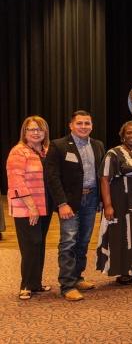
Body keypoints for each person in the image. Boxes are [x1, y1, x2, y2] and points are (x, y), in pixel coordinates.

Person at [45, 110, 105, 301]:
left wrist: (102, 200)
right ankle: (67, 285)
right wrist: (62, 203)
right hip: (69, 203)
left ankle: (78, 277)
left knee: (84, 241)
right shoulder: (58, 145)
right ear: (71, 125)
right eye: (79, 123)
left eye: (87, 123)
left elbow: (101, 175)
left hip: (91, 199)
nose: (83, 127)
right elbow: (52, 177)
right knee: (68, 242)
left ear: (92, 126)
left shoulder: (98, 145)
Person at [96, 121, 132, 285]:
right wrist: (108, 205)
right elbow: (105, 179)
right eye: (128, 133)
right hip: (121, 201)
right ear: (122, 135)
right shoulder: (113, 154)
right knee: (122, 234)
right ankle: (123, 272)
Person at [6, 116, 52, 300]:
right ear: (24, 132)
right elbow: (16, 181)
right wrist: (32, 207)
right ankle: (25, 285)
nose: (35, 133)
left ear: (45, 132)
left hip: (44, 206)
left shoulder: (46, 151)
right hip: (26, 208)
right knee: (30, 245)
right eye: (31, 129)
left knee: (39, 245)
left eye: (39, 129)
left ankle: (36, 284)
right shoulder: (18, 152)